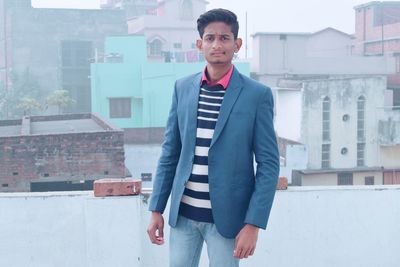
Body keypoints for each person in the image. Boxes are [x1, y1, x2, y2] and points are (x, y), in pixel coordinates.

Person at [147, 8, 280, 267]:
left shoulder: (256, 95)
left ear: (237, 44)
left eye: (224, 38)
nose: (216, 45)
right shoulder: (182, 88)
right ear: (200, 44)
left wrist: (253, 224)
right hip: (183, 217)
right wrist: (156, 210)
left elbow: (269, 164)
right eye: (210, 38)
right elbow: (170, 153)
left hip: (228, 222)